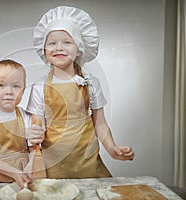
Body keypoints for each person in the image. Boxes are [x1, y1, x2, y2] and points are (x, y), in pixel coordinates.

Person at [27, 6, 135, 179]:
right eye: (52, 43)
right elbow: (36, 125)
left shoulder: (91, 83)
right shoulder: (39, 87)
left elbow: (99, 123)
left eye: (67, 42)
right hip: (53, 162)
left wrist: (112, 148)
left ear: (79, 49)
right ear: (44, 50)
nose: (59, 47)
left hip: (87, 159)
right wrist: (34, 133)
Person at [0, 59, 44, 188]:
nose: (9, 91)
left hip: (22, 175)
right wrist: (14, 173)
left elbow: (33, 149)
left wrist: (30, 164)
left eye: (16, 86)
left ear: (23, 90)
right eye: (1, 85)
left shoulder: (26, 117)